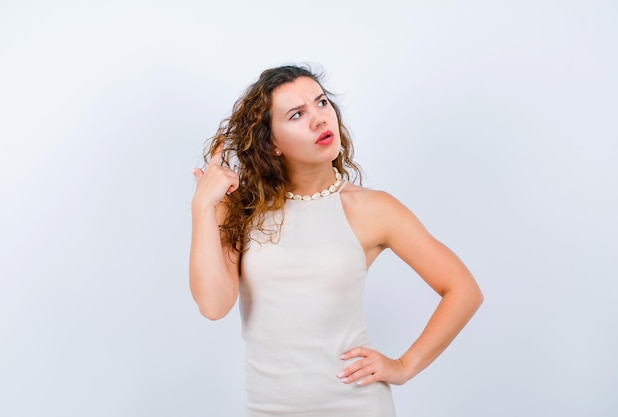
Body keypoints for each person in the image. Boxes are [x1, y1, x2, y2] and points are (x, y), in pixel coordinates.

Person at [189, 65, 483, 417]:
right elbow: (213, 305)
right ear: (271, 143)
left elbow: (463, 289)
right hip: (268, 409)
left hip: (356, 405)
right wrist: (203, 206)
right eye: (297, 114)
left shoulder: (373, 208)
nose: (319, 119)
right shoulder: (242, 208)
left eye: (322, 103)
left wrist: (403, 366)